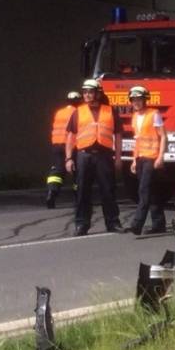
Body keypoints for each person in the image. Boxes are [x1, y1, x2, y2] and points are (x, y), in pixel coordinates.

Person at [65, 79, 122, 236]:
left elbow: (118, 136)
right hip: (84, 156)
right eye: (85, 92)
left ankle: (113, 222)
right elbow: (70, 137)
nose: (87, 95)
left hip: (104, 155)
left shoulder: (110, 111)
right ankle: (81, 224)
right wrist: (69, 158)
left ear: (98, 93)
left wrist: (118, 157)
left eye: (90, 92)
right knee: (82, 191)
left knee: (108, 190)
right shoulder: (78, 112)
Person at [126, 85, 168, 235]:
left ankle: (137, 224)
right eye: (134, 99)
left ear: (145, 100)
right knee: (152, 191)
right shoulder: (135, 116)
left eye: (139, 99)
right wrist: (133, 160)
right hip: (140, 158)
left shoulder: (153, 114)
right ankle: (159, 224)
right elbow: (137, 140)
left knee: (143, 190)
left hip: (152, 157)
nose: (136, 102)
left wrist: (160, 157)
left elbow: (163, 136)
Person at [46, 91, 80, 208]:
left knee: (57, 171)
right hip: (71, 145)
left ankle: (51, 193)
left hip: (57, 144)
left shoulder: (59, 112)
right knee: (78, 172)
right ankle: (78, 198)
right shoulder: (78, 113)